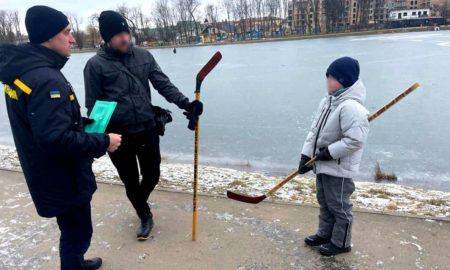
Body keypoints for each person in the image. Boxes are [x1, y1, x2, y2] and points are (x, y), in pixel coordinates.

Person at [0, 5, 122, 270]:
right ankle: (73, 264)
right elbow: (55, 139)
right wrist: (104, 141)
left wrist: (81, 123)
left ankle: (76, 263)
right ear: (48, 37)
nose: (72, 39)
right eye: (66, 32)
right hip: (64, 177)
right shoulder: (45, 79)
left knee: (70, 229)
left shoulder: (23, 72)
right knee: (77, 234)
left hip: (46, 173)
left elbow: (40, 124)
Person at [83, 10, 203, 241]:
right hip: (118, 135)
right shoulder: (95, 65)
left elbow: (163, 84)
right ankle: (144, 214)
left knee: (152, 174)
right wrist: (100, 139)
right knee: (129, 179)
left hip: (147, 128)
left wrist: (185, 103)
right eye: (118, 35)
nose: (124, 38)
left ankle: (139, 200)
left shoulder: (144, 56)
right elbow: (93, 106)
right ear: (107, 38)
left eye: (125, 32)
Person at [298, 57, 370, 256]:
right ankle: (325, 234)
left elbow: (355, 140)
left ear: (344, 80)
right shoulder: (327, 102)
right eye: (327, 77)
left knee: (339, 207)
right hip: (321, 164)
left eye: (332, 78)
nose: (327, 81)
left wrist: (330, 152)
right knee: (325, 202)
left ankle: (341, 243)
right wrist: (305, 156)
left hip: (339, 169)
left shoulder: (352, 108)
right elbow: (314, 132)